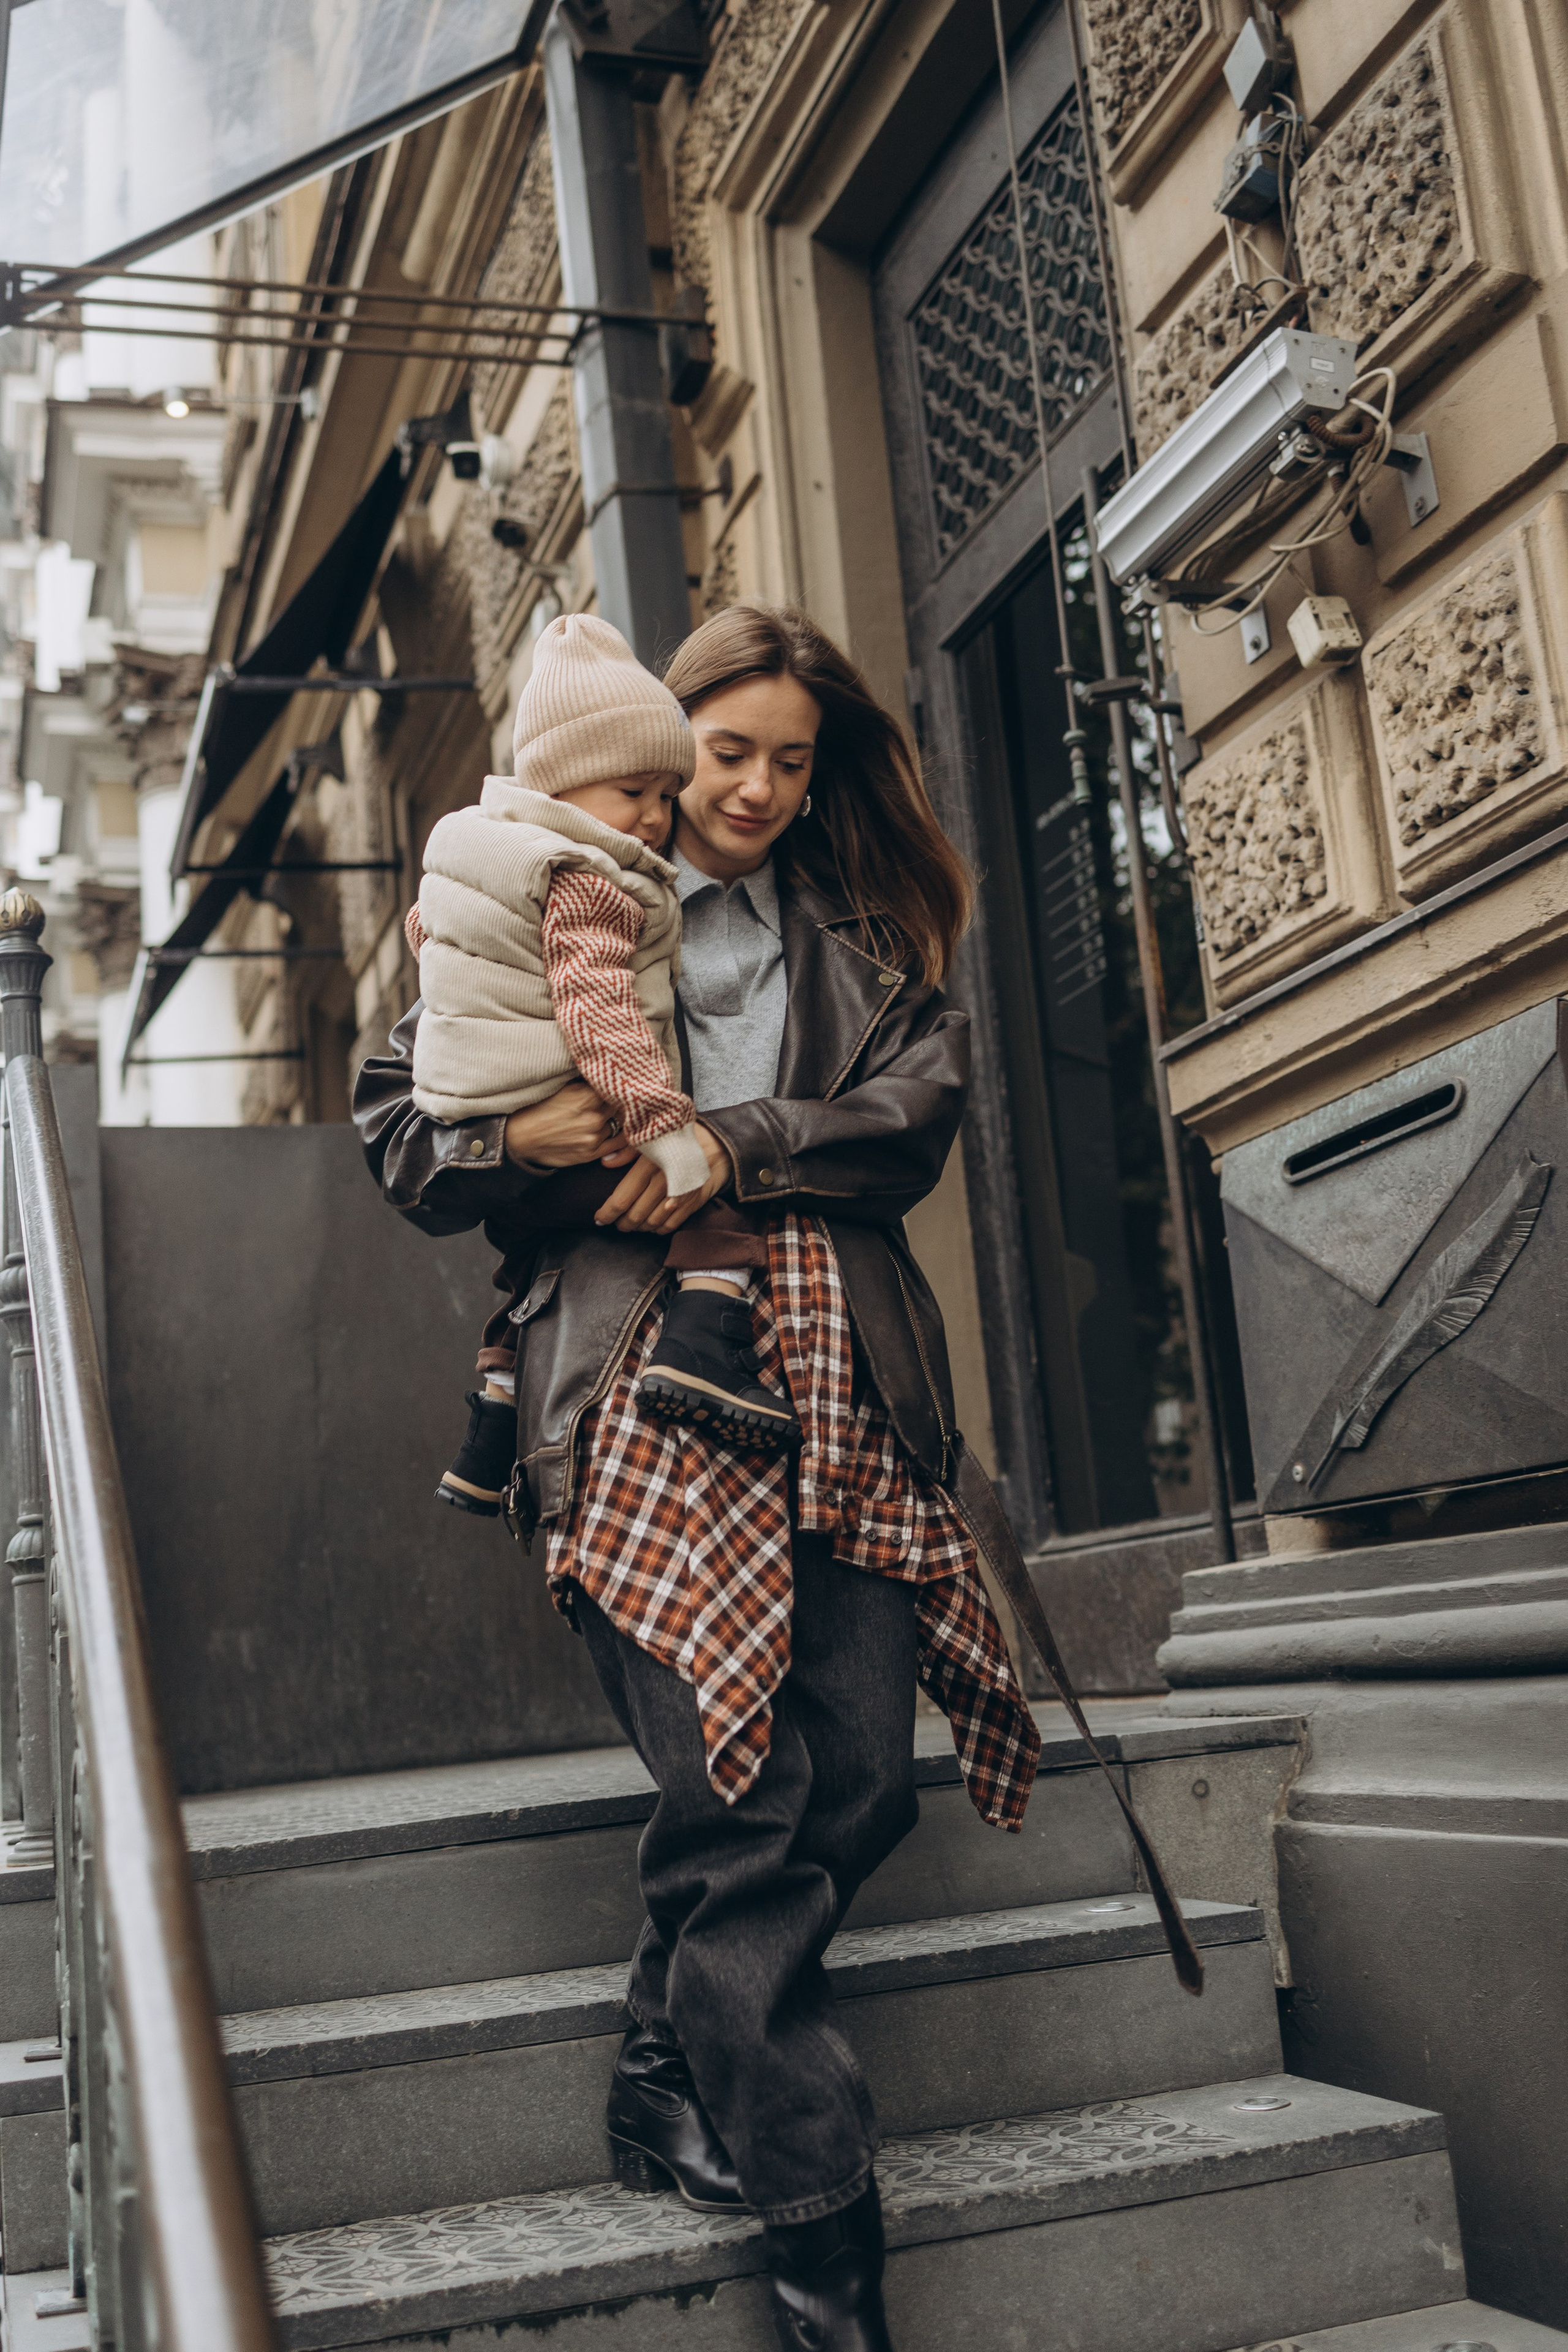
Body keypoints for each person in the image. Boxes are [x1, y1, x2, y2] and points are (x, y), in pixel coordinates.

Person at [355, 602, 1042, 2352]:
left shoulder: (868, 933)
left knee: (864, 1784)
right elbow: (403, 1124)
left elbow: (915, 1116)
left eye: (787, 762)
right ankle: (826, 2255)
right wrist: (553, 1155)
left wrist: (729, 1139)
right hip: (638, 1380)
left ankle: (664, 2057)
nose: (749, 788)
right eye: (723, 749)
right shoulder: (533, 872)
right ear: (661, 745)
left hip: (850, 1373)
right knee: (738, 1816)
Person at [409, 611, 797, 1518]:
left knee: (523, 1273)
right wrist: (667, 1129)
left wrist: (492, 1133)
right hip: (566, 1141)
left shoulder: (472, 852)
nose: (656, 817)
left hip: (485, 1132)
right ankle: (703, 1349)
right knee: (718, 1207)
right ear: (562, 782)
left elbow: (431, 938)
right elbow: (599, 1010)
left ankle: (491, 1420)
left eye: (667, 793)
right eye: (636, 792)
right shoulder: (587, 879)